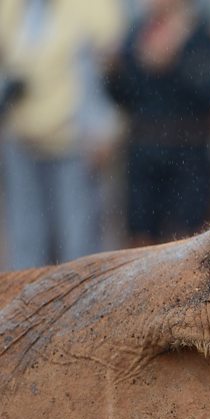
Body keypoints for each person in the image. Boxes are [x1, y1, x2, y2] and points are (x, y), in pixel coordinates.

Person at [0, 0, 124, 269]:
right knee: (26, 243)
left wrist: (101, 128)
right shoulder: (11, 7)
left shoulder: (92, 7)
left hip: (74, 144)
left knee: (78, 246)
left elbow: (109, 64)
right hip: (20, 141)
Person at [107, 0, 210, 246]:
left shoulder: (201, 36)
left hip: (187, 149)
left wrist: (177, 58)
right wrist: (114, 68)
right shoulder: (137, 34)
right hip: (144, 147)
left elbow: (208, 96)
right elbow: (123, 96)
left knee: (186, 240)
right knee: (140, 238)